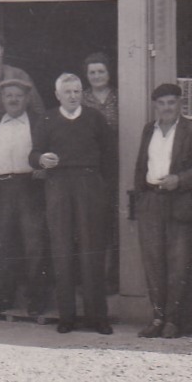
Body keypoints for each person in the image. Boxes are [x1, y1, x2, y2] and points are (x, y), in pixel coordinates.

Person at [30, 72, 115, 334]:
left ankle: (97, 316)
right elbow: (33, 154)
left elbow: (109, 155)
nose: (73, 96)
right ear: (57, 95)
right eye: (67, 92)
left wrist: (104, 189)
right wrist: (42, 159)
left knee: (92, 249)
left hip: (89, 184)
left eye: (77, 91)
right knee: (62, 248)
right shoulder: (47, 119)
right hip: (58, 185)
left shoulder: (94, 118)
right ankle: (67, 315)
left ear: (82, 93)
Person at [131, 82, 192, 339]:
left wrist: (180, 180)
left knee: (179, 263)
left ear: (180, 104)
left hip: (179, 202)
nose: (166, 108)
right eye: (162, 103)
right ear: (155, 106)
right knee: (153, 262)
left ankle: (174, 320)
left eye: (171, 102)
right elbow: (141, 166)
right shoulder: (148, 130)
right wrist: (142, 197)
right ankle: (157, 317)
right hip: (152, 202)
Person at [0, 75, 48, 321]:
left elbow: (50, 150)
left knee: (33, 244)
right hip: (0, 188)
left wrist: (44, 167)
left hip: (29, 187)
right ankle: (4, 296)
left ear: (27, 99)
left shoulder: (39, 121)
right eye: (8, 96)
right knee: (3, 244)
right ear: (2, 99)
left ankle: (36, 300)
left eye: (18, 95)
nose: (13, 100)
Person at [80, 52, 121, 294]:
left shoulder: (119, 96)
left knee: (114, 224)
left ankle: (111, 278)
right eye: (92, 72)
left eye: (101, 71)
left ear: (109, 73)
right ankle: (90, 280)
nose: (97, 76)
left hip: (116, 166)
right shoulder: (82, 98)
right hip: (91, 168)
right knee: (91, 224)